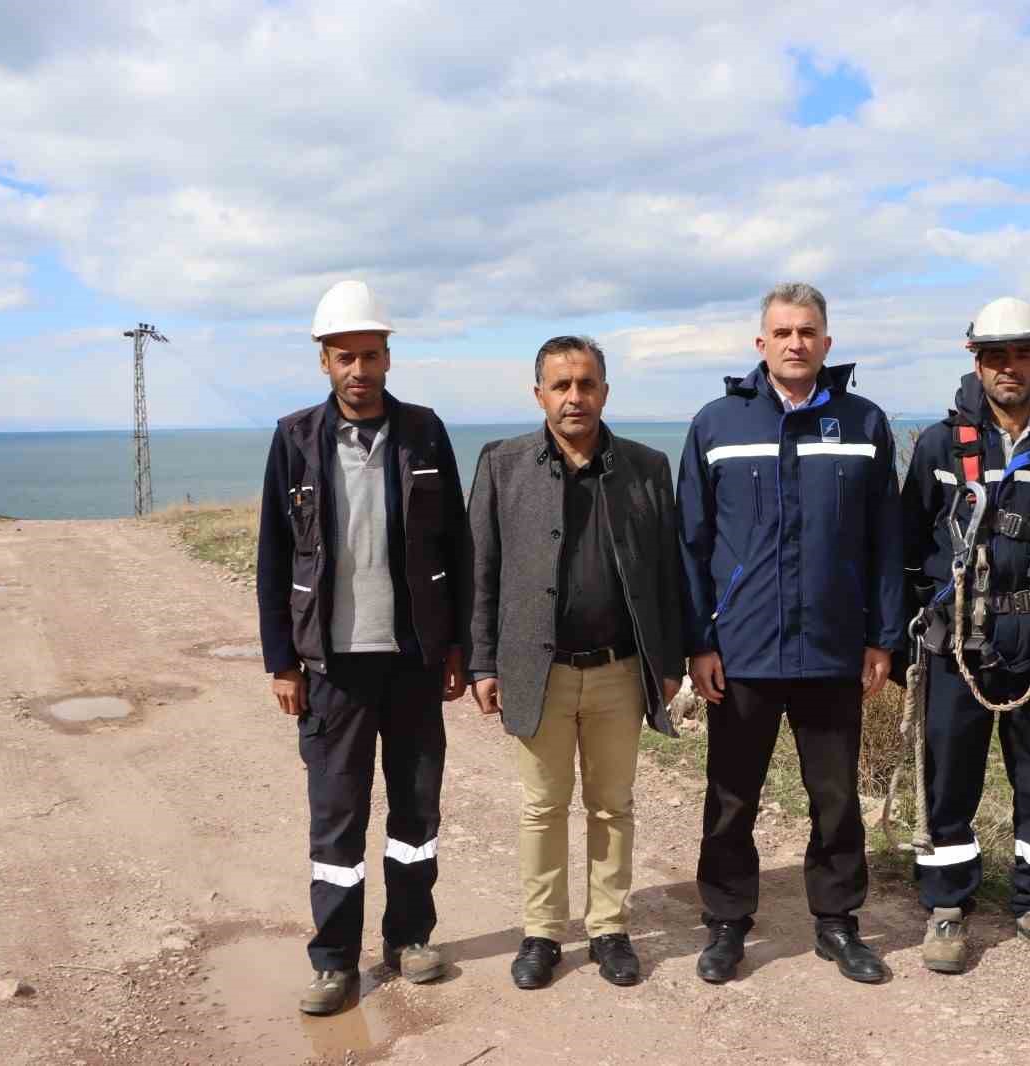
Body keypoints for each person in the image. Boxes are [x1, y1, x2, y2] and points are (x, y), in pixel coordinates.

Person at [677, 282, 903, 985]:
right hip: (740, 651)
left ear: (827, 342)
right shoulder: (716, 424)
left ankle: (837, 925)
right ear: (761, 344)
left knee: (834, 797)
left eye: (808, 332)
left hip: (833, 647)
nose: (795, 343)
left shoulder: (864, 423)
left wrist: (882, 637)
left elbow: (885, 543)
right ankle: (725, 925)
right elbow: (690, 543)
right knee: (732, 796)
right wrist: (698, 643)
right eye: (783, 332)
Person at [256, 280, 467, 1015]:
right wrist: (282, 660)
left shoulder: (426, 432)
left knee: (415, 814)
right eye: (345, 356)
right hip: (332, 667)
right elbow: (273, 558)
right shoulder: (293, 440)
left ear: (388, 356)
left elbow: (457, 545)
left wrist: (456, 646)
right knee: (337, 817)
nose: (360, 369)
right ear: (324, 361)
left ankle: (410, 938)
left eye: (371, 355)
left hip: (410, 660)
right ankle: (334, 961)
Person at [463, 336, 685, 991]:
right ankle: (541, 933)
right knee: (542, 806)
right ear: (539, 395)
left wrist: (667, 661)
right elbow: (482, 570)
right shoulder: (503, 465)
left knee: (612, 805)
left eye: (586, 384)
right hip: (539, 670)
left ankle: (609, 929)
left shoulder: (645, 468)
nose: (574, 397)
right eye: (560, 386)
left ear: (605, 392)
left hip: (620, 670)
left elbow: (668, 574)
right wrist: (481, 662)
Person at [900, 298, 1030, 973]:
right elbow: (907, 549)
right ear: (976, 363)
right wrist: (914, 633)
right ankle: (945, 906)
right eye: (996, 356)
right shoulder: (940, 447)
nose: (1009, 368)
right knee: (948, 778)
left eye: (1021, 354)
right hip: (956, 646)